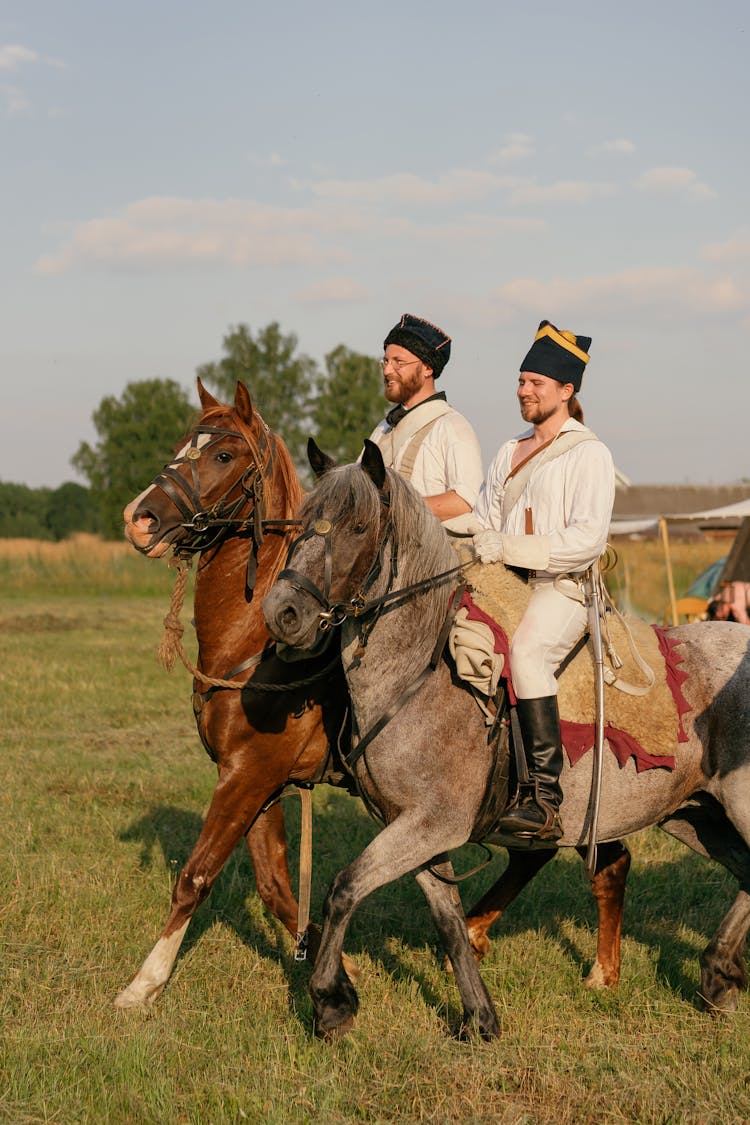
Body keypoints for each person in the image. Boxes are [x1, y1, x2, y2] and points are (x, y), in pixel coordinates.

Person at [472, 320, 615, 841]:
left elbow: (587, 540)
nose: (524, 391)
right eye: (521, 380)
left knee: (529, 654)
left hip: (565, 588)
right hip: (502, 583)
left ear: (566, 390)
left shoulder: (589, 454)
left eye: (535, 382)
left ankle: (543, 799)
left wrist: (509, 546)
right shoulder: (506, 452)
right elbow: (484, 520)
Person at [367, 313, 484, 520]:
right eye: (385, 361)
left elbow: (466, 501)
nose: (387, 370)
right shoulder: (382, 429)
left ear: (427, 368)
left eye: (398, 362)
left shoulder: (453, 427)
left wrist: (397, 506)